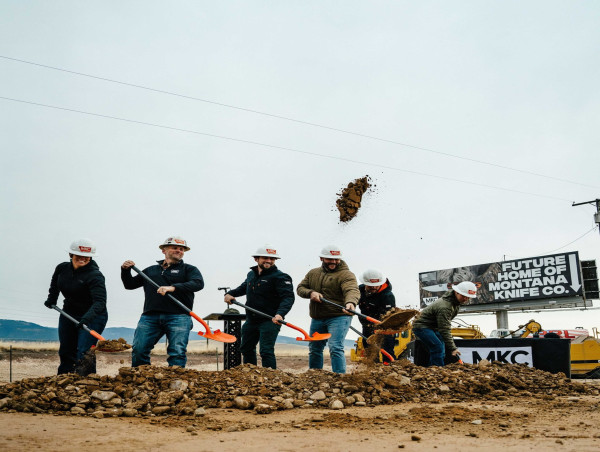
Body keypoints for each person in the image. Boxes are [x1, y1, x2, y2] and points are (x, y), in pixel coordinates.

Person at [121, 236, 204, 367]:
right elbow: (129, 285)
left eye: (182, 249)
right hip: (150, 316)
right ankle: (141, 379)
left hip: (179, 316)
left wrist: (173, 288)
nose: (179, 251)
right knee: (139, 349)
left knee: (177, 353)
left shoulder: (189, 269)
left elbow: (198, 284)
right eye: (175, 248)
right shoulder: (151, 270)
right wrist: (125, 271)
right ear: (164, 250)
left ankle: (175, 383)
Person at [224, 244, 295, 369]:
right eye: (265, 258)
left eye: (272, 259)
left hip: (270, 319)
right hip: (251, 319)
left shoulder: (281, 277)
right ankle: (252, 376)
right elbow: (243, 288)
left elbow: (288, 298)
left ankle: (271, 381)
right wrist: (230, 294)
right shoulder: (251, 274)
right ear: (256, 259)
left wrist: (280, 314)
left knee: (266, 351)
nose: (268, 261)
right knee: (246, 348)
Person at [44, 239, 108, 375]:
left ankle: (86, 382)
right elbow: (54, 284)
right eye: (78, 255)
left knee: (84, 351)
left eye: (86, 256)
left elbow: (100, 302)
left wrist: (86, 318)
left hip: (94, 315)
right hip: (69, 312)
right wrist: (52, 298)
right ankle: (64, 379)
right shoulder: (62, 268)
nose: (82, 259)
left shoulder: (95, 275)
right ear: (71, 255)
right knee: (66, 349)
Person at [297, 245, 360, 374]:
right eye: (329, 259)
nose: (333, 262)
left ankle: (340, 377)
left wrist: (350, 303)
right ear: (321, 258)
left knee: (335, 346)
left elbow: (351, 289)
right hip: (318, 318)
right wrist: (311, 293)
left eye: (336, 259)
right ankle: (315, 375)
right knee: (315, 347)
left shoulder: (346, 274)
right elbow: (300, 288)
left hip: (339, 316)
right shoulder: (313, 273)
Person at [412, 281, 477, 366]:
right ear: (456, 292)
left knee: (441, 348)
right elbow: (444, 329)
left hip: (433, 327)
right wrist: (453, 348)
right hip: (422, 326)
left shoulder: (455, 303)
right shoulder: (445, 306)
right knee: (437, 347)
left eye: (468, 297)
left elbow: (444, 325)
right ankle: (437, 371)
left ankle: (433, 368)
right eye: (464, 296)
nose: (466, 299)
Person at [357, 268, 396, 363]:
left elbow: (388, 316)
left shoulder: (387, 296)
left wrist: (380, 328)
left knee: (387, 349)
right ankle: (373, 371)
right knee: (369, 350)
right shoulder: (359, 290)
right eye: (371, 286)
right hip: (367, 325)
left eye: (376, 285)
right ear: (365, 283)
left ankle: (389, 369)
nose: (374, 288)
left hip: (384, 327)